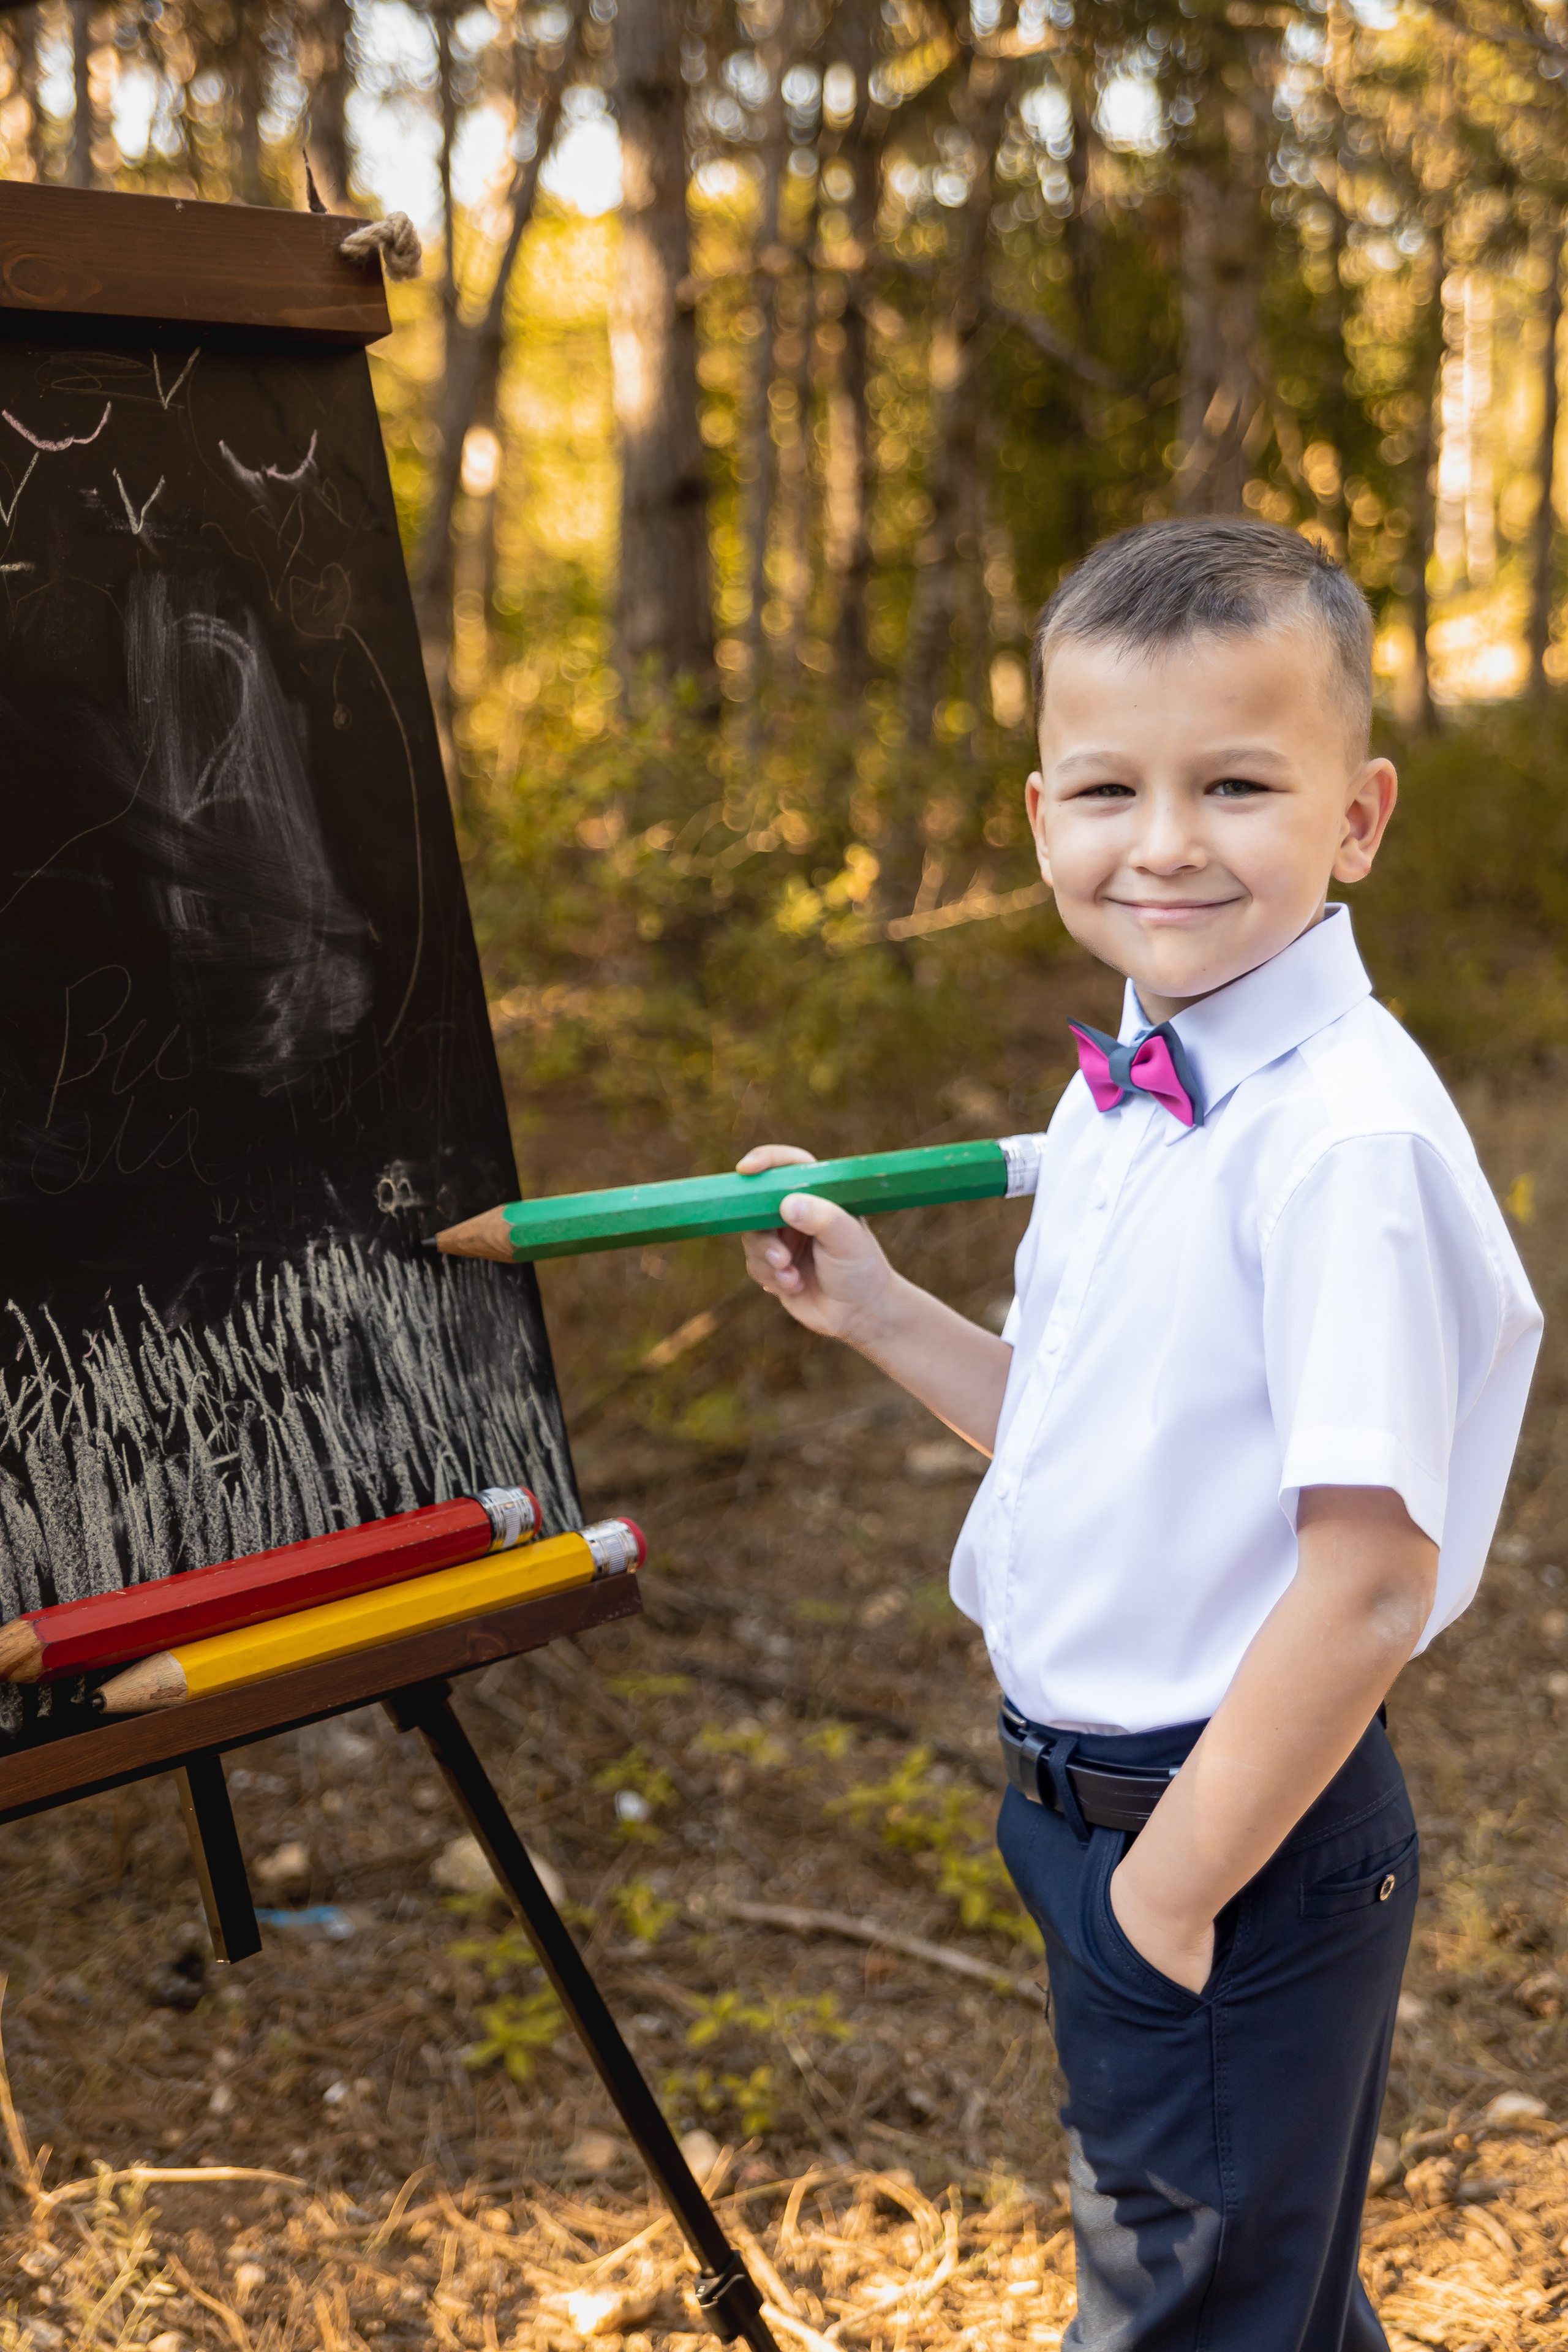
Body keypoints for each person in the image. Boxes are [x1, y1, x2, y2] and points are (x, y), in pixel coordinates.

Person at [738, 519, 1542, 2352]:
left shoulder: (1342, 1145)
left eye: (1239, 783)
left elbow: (1366, 1584)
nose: (1165, 840)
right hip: (1087, 1821)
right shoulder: (1129, 1077)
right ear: (1041, 821)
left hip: (1224, 1837)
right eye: (1111, 786)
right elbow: (1084, 1433)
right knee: (1261, 2307)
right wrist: (875, 1309)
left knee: (1187, 2317)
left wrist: (1167, 1900)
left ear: (1358, 818)